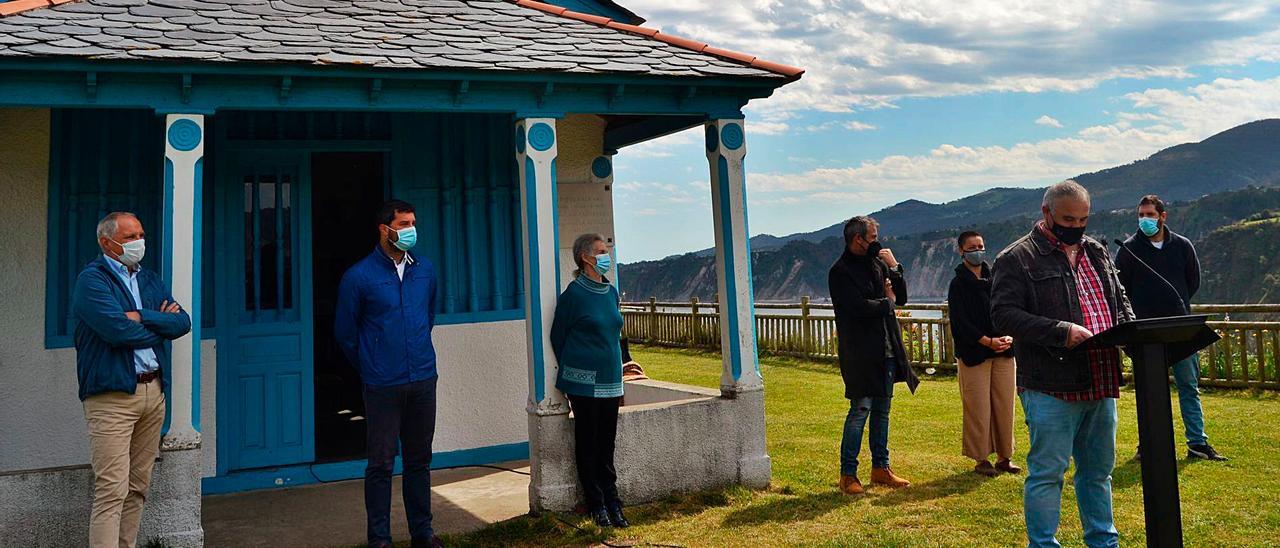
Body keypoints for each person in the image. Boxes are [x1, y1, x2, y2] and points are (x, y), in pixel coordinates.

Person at [991, 180, 1134, 548]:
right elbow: (1003, 315)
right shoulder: (1016, 258)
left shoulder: (1098, 251)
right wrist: (1060, 331)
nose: (1076, 226)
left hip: (1102, 380)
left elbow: (1118, 300)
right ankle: (1043, 545)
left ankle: (1103, 542)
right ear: (1046, 213)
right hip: (1050, 385)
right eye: (1068, 218)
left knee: (1098, 473)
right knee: (1047, 473)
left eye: (1083, 219)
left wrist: (1134, 331)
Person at [73, 212, 191, 548]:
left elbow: (182, 323)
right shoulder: (92, 281)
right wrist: (158, 327)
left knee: (138, 486)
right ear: (106, 243)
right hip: (112, 396)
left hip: (153, 392)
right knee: (112, 490)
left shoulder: (149, 279)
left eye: (141, 234)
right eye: (129, 238)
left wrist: (141, 316)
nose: (138, 242)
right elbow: (115, 330)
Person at [334, 199, 443, 548]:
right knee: (380, 464)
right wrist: (372, 365)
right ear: (385, 229)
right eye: (404, 224)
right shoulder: (359, 276)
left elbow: (428, 317)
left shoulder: (424, 269)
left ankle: (422, 534)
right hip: (382, 385)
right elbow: (346, 334)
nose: (411, 230)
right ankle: (380, 539)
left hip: (423, 379)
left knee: (419, 462)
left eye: (413, 223)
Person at [1115, 195, 1226, 461]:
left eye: (1150, 215)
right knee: (1149, 391)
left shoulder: (1183, 246)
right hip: (1146, 333)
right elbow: (1120, 289)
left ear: (1163, 216)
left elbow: (1192, 281)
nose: (1145, 220)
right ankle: (1148, 444)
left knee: (1189, 386)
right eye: (1141, 215)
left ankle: (1197, 444)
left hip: (1181, 329)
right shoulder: (1128, 250)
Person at [828, 215, 920, 495]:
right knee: (860, 410)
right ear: (858, 239)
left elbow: (900, 298)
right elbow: (857, 307)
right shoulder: (840, 271)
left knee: (883, 411)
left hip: (888, 350)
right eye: (873, 238)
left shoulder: (879, 264)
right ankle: (848, 474)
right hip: (860, 353)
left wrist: (895, 267)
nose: (877, 243)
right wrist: (886, 302)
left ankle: (881, 468)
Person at [550, 233, 629, 528]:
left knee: (607, 443)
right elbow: (558, 335)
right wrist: (575, 370)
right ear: (585, 257)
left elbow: (615, 334)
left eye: (607, 249)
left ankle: (613, 499)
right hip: (583, 384)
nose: (606, 254)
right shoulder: (573, 295)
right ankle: (596, 503)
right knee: (588, 441)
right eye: (600, 250)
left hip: (611, 380)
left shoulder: (610, 292)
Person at [946, 230, 1020, 477]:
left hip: (1004, 351)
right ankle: (980, 458)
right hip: (973, 353)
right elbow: (960, 321)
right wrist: (986, 341)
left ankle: (1004, 456)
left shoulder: (996, 278)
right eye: (971, 247)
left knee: (1004, 404)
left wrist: (1008, 335)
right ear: (961, 251)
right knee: (978, 407)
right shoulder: (958, 285)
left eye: (980, 246)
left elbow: (1009, 308)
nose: (977, 250)